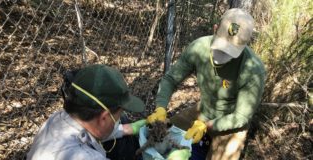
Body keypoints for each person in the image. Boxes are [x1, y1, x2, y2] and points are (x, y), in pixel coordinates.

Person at [147, 8, 266, 160]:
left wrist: (206, 126)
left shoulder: (253, 69)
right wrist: (160, 108)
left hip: (231, 123)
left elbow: (241, 117)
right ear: (215, 29)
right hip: (203, 110)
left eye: (231, 52)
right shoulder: (199, 48)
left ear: (244, 46)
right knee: (163, 135)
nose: (223, 55)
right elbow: (171, 79)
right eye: (221, 46)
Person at [27, 64, 147, 160]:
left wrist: (131, 128)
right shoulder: (87, 156)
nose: (118, 119)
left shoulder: (57, 119)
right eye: (117, 116)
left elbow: (97, 131)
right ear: (104, 117)